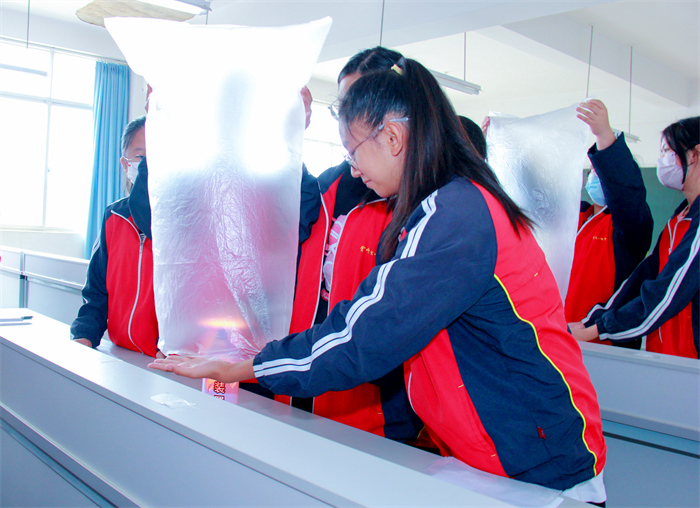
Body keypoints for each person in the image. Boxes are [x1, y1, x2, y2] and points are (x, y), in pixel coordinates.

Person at [150, 56, 607, 502]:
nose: (353, 169)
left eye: (353, 152)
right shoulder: (451, 205)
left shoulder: (455, 214)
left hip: (540, 462)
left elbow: (365, 333)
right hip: (502, 451)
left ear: (392, 137)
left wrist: (240, 368)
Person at [272, 47, 424, 443]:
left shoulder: (417, 204)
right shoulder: (329, 186)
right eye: (343, 104)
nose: (349, 114)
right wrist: (289, 136)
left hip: (376, 405)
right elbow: (279, 220)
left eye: (361, 100)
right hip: (307, 378)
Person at [571, 117, 699, 359]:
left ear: (694, 154)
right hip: (666, 356)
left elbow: (668, 291)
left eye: (668, 151)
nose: (663, 160)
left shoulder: (627, 224)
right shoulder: (678, 220)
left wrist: (600, 327)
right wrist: (593, 322)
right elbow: (643, 278)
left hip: (688, 362)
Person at [565, 100, 654, 349]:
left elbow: (626, 194)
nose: (597, 176)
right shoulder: (574, 216)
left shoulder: (629, 226)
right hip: (558, 334)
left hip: (601, 340)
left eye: (602, 172)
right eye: (594, 171)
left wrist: (604, 136)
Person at [71, 116, 162, 358]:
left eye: (156, 156)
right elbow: (96, 291)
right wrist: (85, 335)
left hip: (165, 361)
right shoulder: (113, 216)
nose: (147, 165)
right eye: (140, 156)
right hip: (121, 353)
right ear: (125, 163)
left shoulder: (180, 221)